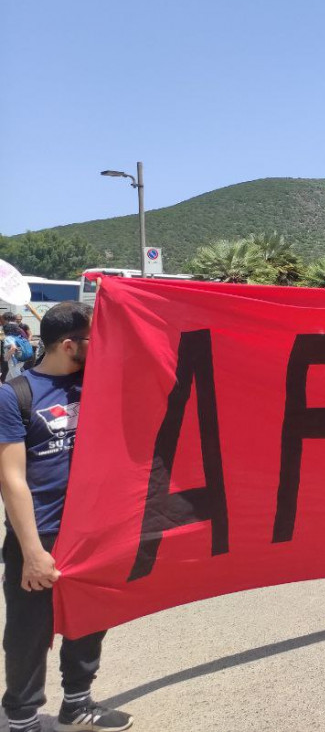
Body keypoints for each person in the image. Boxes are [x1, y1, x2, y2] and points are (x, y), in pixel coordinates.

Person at [0, 301, 134, 732]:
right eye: (95, 340)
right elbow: (12, 479)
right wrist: (33, 551)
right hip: (42, 535)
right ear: (69, 344)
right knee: (28, 632)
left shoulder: (97, 384)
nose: (102, 348)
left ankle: (76, 703)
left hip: (92, 532)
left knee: (91, 620)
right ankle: (20, 717)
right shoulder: (15, 395)